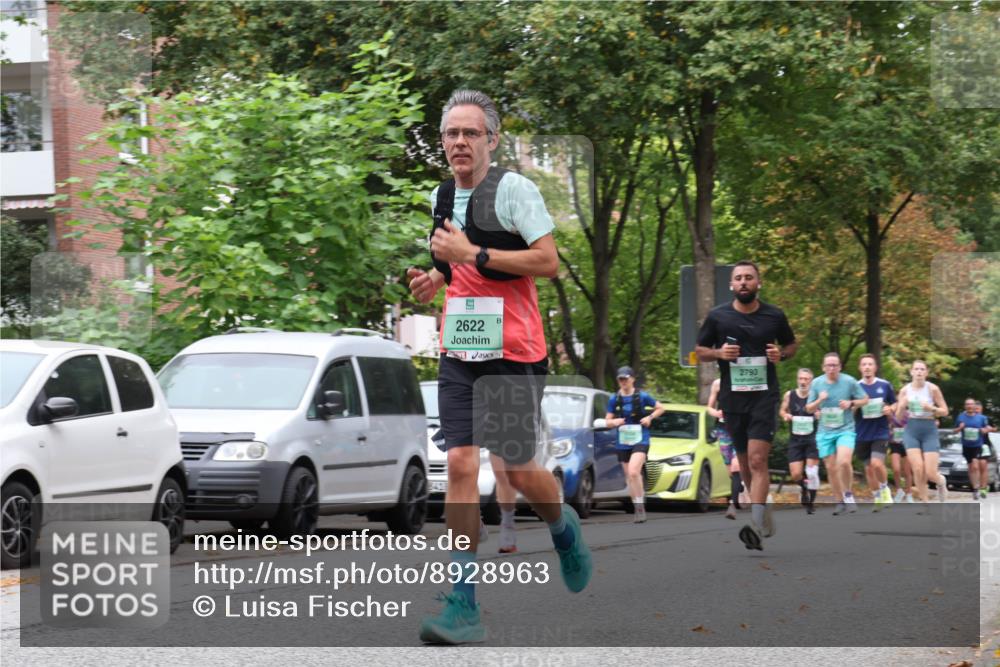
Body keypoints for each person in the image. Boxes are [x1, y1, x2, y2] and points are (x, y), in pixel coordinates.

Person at [407, 89, 591, 644]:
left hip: (513, 352)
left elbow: (548, 262)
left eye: (470, 133)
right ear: (442, 143)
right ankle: (463, 604)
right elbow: (450, 265)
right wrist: (432, 280)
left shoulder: (515, 191)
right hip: (460, 351)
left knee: (515, 469)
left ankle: (562, 525)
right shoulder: (442, 196)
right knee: (462, 466)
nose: (459, 142)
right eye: (450, 134)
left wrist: (475, 256)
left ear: (491, 139)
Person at [695, 260, 797, 551]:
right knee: (745, 464)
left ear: (758, 283)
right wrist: (719, 353)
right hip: (733, 399)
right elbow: (700, 351)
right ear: (731, 285)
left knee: (756, 459)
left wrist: (782, 354)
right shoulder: (718, 316)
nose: (743, 282)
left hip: (765, 396)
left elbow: (790, 344)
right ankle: (762, 512)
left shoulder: (774, 316)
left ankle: (754, 524)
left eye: (748, 278)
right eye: (738, 278)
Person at [805, 352, 869, 516]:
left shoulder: (849, 381)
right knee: (831, 467)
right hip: (824, 431)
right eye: (828, 365)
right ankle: (839, 500)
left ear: (840, 367)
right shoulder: (817, 383)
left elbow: (865, 399)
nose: (831, 368)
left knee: (844, 462)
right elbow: (808, 408)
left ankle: (848, 495)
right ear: (823, 367)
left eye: (835, 365)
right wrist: (820, 400)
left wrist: (851, 402)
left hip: (845, 429)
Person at [605, 366, 666, 523]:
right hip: (623, 441)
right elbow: (607, 421)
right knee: (630, 477)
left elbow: (661, 408)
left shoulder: (642, 396)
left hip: (641, 438)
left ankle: (640, 507)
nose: (623, 382)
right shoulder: (614, 399)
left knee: (633, 471)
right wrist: (614, 421)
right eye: (620, 379)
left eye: (626, 378)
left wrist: (650, 417)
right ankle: (638, 506)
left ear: (632, 379)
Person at [894, 360, 950, 506]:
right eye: (916, 369)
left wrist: (931, 408)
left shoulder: (933, 389)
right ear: (911, 372)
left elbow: (945, 411)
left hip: (929, 429)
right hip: (911, 429)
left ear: (926, 372)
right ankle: (925, 502)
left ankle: (941, 482)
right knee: (918, 468)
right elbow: (898, 418)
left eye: (922, 369)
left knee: (931, 473)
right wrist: (901, 406)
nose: (919, 372)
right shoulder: (905, 391)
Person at [854, 354, 897, 511]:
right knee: (869, 469)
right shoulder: (855, 387)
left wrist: (890, 409)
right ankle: (877, 497)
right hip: (862, 433)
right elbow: (850, 408)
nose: (867, 367)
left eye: (870, 364)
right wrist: (856, 405)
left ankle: (885, 489)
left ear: (875, 367)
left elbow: (895, 403)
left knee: (876, 463)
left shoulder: (885, 385)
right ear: (860, 368)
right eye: (864, 364)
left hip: (880, 431)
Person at [779, 368, 820, 514]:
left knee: (812, 473)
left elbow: (823, 413)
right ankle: (804, 489)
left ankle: (811, 503)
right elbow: (782, 410)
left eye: (806, 379)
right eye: (800, 379)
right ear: (797, 379)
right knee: (796, 474)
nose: (803, 382)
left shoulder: (816, 396)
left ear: (811, 381)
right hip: (795, 439)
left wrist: (819, 414)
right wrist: (786, 415)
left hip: (812, 439)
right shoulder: (789, 395)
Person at [707, 378, 742, 520]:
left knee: (735, 466)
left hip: (741, 429)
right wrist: (716, 413)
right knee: (730, 471)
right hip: (723, 430)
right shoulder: (717, 383)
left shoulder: (742, 381)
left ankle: (732, 505)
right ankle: (739, 486)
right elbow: (709, 407)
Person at [953, 398, 991, 500]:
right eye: (967, 404)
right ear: (965, 406)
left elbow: (988, 428)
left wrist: (985, 430)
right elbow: (954, 431)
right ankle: (975, 488)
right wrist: (960, 428)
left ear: (974, 406)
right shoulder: (961, 417)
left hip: (978, 446)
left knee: (975, 465)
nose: (969, 406)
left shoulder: (981, 418)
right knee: (971, 467)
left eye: (971, 404)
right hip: (966, 446)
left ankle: (979, 488)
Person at [887, 412, 914, 503]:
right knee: (896, 469)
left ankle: (909, 493)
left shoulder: (909, 413)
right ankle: (899, 491)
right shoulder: (890, 412)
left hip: (907, 443)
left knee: (907, 471)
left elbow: (905, 425)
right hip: (895, 443)